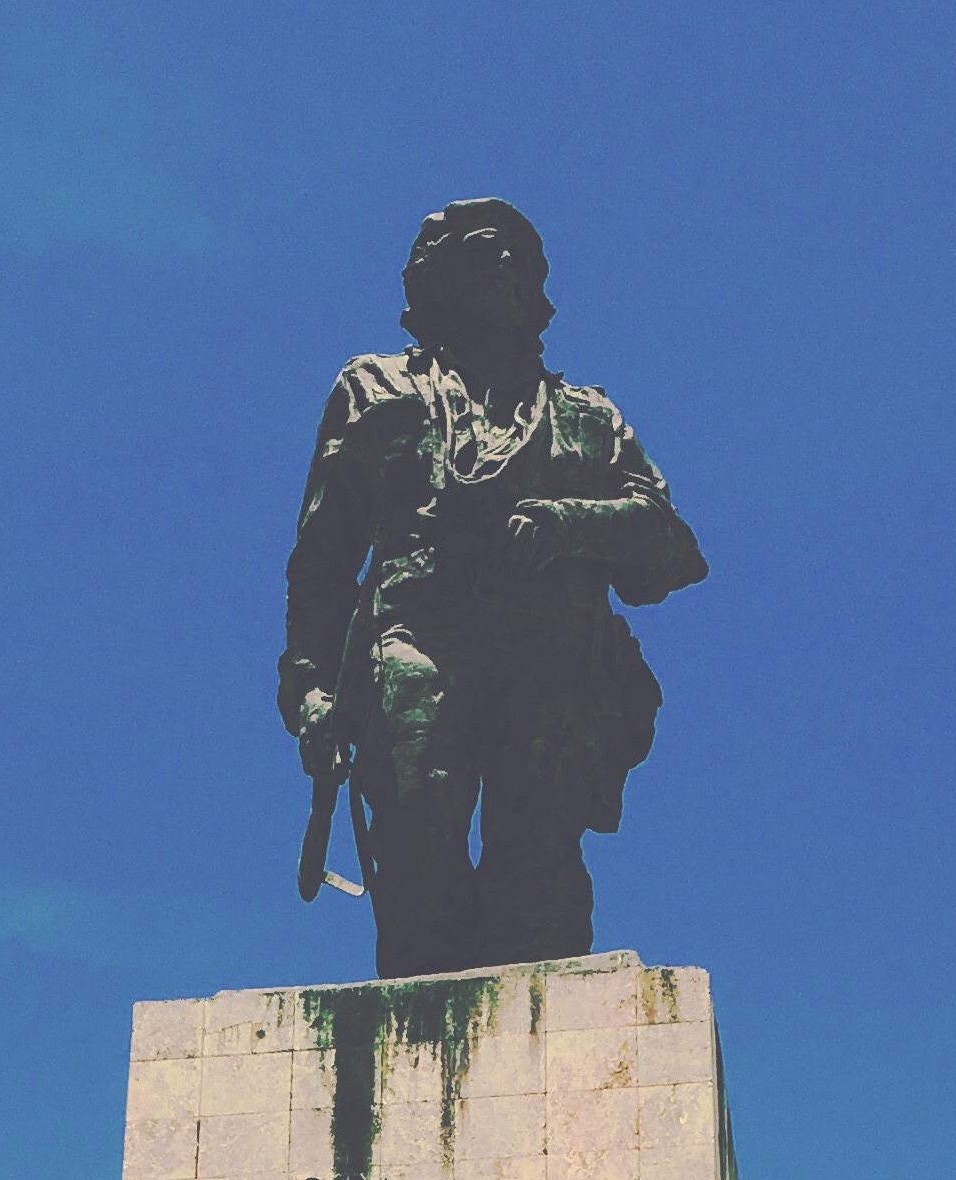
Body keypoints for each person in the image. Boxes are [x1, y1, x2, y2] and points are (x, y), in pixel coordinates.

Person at [278, 198, 707, 979]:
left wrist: (570, 523)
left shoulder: (586, 416)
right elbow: (322, 561)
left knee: (538, 870)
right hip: (414, 635)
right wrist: (310, 689)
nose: (506, 263)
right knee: (415, 834)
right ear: (440, 276)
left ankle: (540, 1033)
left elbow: (672, 550)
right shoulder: (375, 388)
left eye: (520, 254)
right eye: (484, 248)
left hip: (553, 655)